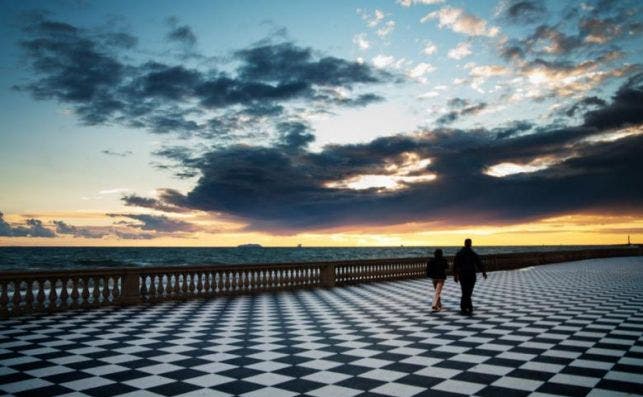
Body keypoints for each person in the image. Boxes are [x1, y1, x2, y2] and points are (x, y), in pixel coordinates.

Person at [453, 238, 487, 315]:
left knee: (464, 290)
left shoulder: (459, 253)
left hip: (463, 275)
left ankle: (464, 306)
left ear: (464, 243)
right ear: (470, 244)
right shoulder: (473, 253)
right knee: (468, 291)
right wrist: (483, 272)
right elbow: (479, 264)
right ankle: (468, 306)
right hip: (471, 275)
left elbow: (455, 265)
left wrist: (455, 275)